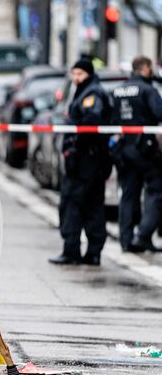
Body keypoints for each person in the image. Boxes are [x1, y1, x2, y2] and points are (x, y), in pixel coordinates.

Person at [49, 59, 112, 266]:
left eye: (80, 74)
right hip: (88, 160)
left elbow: (90, 123)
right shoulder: (84, 92)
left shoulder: (91, 94)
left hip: (87, 161)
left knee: (74, 205)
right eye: (74, 74)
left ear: (89, 74)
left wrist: (74, 148)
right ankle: (90, 253)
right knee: (90, 205)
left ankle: (74, 251)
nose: (76, 78)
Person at [111, 56, 162, 253]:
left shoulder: (118, 90)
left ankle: (126, 239)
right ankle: (143, 235)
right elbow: (159, 113)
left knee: (128, 195)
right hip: (145, 150)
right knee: (155, 191)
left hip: (123, 149)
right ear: (145, 68)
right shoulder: (148, 90)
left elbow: (111, 117)